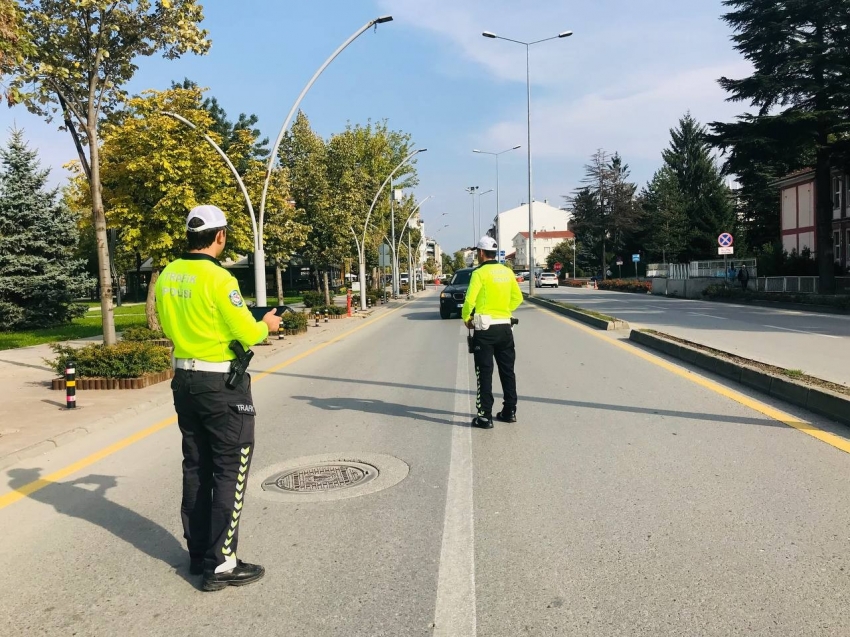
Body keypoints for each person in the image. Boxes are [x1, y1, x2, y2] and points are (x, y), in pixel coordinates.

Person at [155, 205, 281, 592]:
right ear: (220, 236)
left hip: (185, 380)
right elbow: (249, 332)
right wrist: (268, 324)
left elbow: (166, 319)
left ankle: (198, 554)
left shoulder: (167, 275)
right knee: (231, 467)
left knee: (196, 465)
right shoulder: (219, 278)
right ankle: (223, 563)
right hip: (220, 385)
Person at [461, 236, 523, 429]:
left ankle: (484, 417)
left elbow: (470, 300)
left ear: (480, 253)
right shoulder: (507, 272)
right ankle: (509, 411)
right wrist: (504, 310)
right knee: (507, 371)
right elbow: (518, 298)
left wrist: (466, 318)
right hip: (505, 327)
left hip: (485, 330)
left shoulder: (479, 273)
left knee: (484, 373)